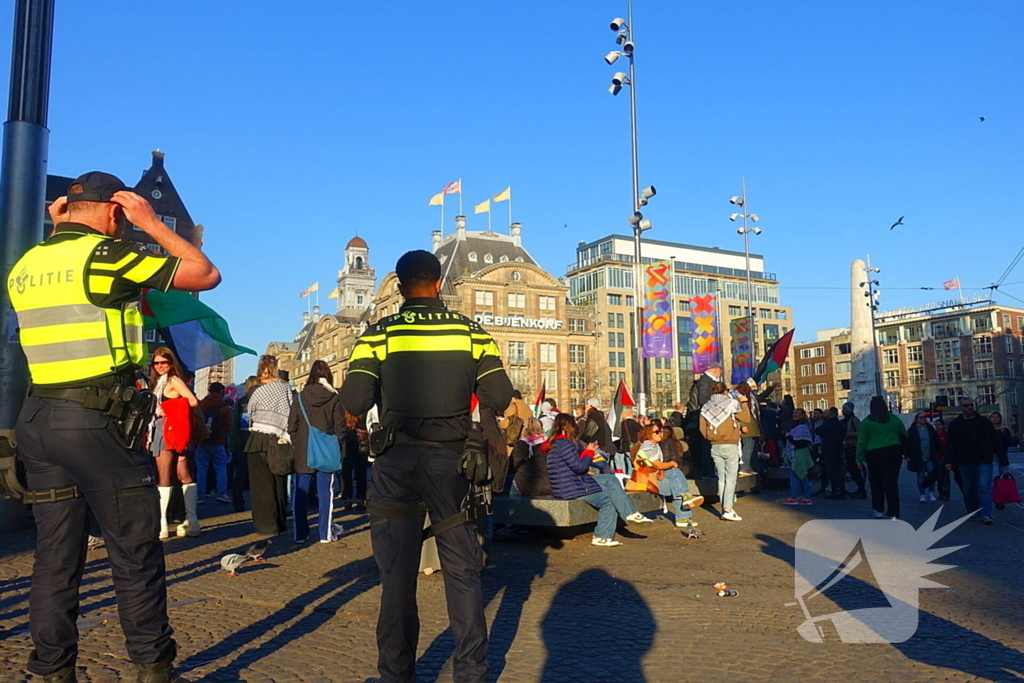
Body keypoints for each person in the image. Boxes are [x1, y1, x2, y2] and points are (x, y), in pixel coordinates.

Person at [7, 172, 220, 683]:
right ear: (114, 211)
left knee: (55, 557)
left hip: (38, 419)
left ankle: (52, 670)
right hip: (97, 420)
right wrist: (151, 223)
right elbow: (204, 272)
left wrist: (57, 229)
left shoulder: (27, 263)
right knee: (133, 548)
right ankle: (152, 666)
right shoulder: (105, 257)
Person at [340, 250, 513, 683]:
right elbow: (500, 394)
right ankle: (471, 672)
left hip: (396, 463)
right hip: (453, 463)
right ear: (439, 283)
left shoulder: (379, 335)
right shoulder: (471, 333)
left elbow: (355, 401)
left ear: (399, 288)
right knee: (462, 572)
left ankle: (395, 674)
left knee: (396, 576)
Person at [544, 413, 623, 545]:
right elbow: (579, 467)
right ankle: (602, 536)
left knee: (609, 482)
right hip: (572, 487)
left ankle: (628, 514)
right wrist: (589, 452)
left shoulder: (554, 443)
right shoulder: (565, 443)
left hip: (565, 486)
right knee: (609, 500)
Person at [287, 360, 344, 543]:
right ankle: (324, 534)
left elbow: (291, 426)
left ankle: (300, 534)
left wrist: (298, 441)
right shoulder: (334, 397)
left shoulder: (299, 397)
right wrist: (337, 444)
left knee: (300, 493)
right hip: (327, 450)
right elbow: (340, 427)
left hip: (303, 451)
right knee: (326, 493)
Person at [150, 348, 199, 539]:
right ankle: (191, 520)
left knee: (164, 475)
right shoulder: (161, 382)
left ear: (171, 363)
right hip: (176, 429)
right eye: (156, 363)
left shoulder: (173, 380)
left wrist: (166, 409)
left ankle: (162, 523)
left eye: (164, 362)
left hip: (167, 429)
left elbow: (192, 401)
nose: (160, 366)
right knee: (183, 474)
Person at [245, 355, 292, 536]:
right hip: (279, 439)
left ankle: (266, 525)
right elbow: (290, 411)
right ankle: (280, 522)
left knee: (260, 486)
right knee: (279, 483)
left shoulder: (257, 390)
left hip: (257, 439)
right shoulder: (285, 388)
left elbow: (250, 413)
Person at [946, 397, 1007, 525]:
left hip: (984, 459)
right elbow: (950, 444)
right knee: (968, 488)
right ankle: (972, 510)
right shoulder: (955, 424)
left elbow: (994, 440)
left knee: (984, 487)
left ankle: (986, 514)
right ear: (961, 408)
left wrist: (1002, 457)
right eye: (966, 405)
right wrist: (949, 460)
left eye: (971, 405)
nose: (969, 408)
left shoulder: (984, 422)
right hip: (965, 461)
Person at [633, 424, 704, 528]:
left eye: (660, 431)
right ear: (648, 434)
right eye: (657, 432)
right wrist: (671, 463)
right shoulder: (648, 447)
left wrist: (662, 469)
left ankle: (685, 499)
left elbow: (657, 466)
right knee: (676, 485)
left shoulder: (655, 446)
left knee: (676, 475)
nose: (660, 434)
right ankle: (682, 516)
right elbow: (658, 464)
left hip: (654, 475)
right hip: (646, 481)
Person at [698, 382, 750, 521]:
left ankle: (724, 507)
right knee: (731, 477)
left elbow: (702, 428)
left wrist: (710, 437)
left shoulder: (706, 407)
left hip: (714, 445)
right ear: (725, 392)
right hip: (730, 444)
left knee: (721, 478)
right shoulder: (731, 404)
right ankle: (728, 508)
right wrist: (744, 402)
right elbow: (746, 418)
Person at [856, 396, 909, 520]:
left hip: (874, 453)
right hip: (893, 452)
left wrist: (858, 458)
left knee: (875, 482)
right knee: (891, 483)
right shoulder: (895, 420)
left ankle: (878, 509)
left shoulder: (866, 422)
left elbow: (862, 442)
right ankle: (894, 512)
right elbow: (904, 436)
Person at [195, 382, 233, 505]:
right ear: (221, 391)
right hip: (218, 441)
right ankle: (222, 493)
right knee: (220, 467)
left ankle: (200, 494)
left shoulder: (201, 404)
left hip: (202, 440)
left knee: (201, 468)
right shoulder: (224, 407)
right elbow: (229, 425)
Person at [231, 375, 258, 512]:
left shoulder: (241, 401)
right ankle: (258, 503)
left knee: (240, 473)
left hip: (243, 438)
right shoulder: (261, 400)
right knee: (258, 473)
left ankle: (238, 503)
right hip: (257, 437)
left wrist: (233, 444)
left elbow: (235, 423)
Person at [907, 412, 941, 503]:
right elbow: (908, 444)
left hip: (930, 455)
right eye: (921, 417)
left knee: (931, 474)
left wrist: (942, 453)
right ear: (917, 419)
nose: (923, 419)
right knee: (920, 476)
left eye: (925, 417)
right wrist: (908, 455)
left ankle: (931, 492)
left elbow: (936, 442)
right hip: (918, 456)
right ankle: (922, 494)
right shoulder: (912, 430)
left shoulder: (930, 429)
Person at [510, 418, 549, 495]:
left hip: (528, 484)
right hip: (550, 484)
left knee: (511, 487)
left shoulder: (523, 444)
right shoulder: (550, 442)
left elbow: (513, 465)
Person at [815, 407, 848, 500]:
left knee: (831, 470)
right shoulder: (840, 424)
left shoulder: (828, 423)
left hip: (829, 448)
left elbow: (818, 431)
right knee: (839, 470)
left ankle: (835, 491)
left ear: (830, 414)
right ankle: (842, 490)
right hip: (838, 448)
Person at [340, 410, 367, 510]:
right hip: (362, 439)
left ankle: (347, 498)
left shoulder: (343, 404)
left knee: (346, 471)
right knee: (361, 472)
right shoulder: (363, 405)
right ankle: (361, 499)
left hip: (346, 439)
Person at [840, 402, 866, 499]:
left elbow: (860, 433)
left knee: (855, 469)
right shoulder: (845, 420)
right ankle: (860, 489)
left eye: (845, 409)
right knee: (852, 469)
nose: (843, 411)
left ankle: (862, 490)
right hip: (847, 446)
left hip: (853, 446)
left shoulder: (854, 420)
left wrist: (848, 434)